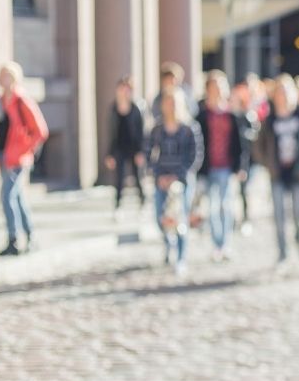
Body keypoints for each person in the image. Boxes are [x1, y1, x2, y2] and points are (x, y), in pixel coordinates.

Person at [256, 73, 299, 266]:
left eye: (287, 91)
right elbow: (259, 146)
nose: (283, 96)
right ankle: (282, 252)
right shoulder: (269, 120)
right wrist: (268, 164)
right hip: (277, 174)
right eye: (280, 92)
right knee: (279, 216)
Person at [0, 62, 50, 255]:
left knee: (7, 197)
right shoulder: (0, 101)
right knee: (17, 197)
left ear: (15, 78)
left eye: (7, 75)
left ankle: (13, 240)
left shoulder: (21, 100)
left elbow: (41, 131)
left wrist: (23, 150)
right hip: (2, 156)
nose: (3, 80)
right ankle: (31, 236)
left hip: (17, 159)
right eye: (2, 76)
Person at [144, 88, 203, 276]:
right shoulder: (157, 129)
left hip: (182, 181)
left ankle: (181, 258)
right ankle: (168, 244)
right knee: (160, 218)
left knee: (180, 219)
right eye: (168, 102)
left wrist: (177, 177)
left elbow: (195, 156)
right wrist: (157, 174)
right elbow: (148, 153)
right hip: (161, 179)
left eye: (174, 102)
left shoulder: (189, 129)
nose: (171, 106)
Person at [195, 70, 252, 261]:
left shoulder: (232, 114)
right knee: (212, 207)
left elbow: (241, 143)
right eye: (214, 87)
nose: (217, 90)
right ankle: (216, 244)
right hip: (208, 167)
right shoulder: (202, 115)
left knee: (226, 206)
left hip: (227, 166)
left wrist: (241, 166)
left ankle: (225, 243)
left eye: (220, 87)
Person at [105, 76, 148, 219]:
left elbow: (141, 132)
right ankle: (118, 207)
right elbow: (110, 132)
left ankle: (142, 202)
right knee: (119, 179)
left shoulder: (137, 108)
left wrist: (141, 151)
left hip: (134, 149)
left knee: (137, 178)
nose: (124, 91)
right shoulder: (113, 108)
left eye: (127, 88)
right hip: (119, 148)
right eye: (121, 88)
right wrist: (110, 154)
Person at [230, 78, 262, 235]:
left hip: (250, 160)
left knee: (245, 190)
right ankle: (236, 217)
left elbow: (255, 137)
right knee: (237, 191)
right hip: (236, 159)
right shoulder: (233, 116)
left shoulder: (250, 116)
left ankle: (245, 217)